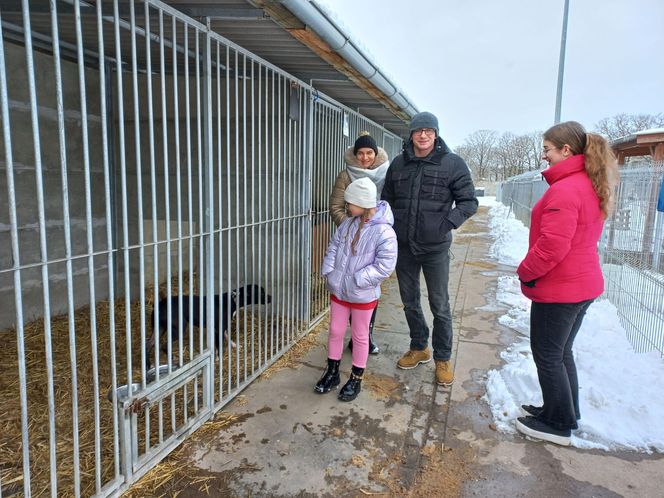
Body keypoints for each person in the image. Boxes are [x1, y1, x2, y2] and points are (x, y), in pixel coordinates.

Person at [515, 121, 619, 446]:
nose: (544, 156)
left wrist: (525, 270)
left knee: (547, 353)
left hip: (561, 288)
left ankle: (558, 423)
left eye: (547, 149)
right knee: (561, 353)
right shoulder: (585, 183)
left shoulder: (566, 189)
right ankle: (562, 411)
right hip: (580, 283)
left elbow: (552, 246)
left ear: (566, 150)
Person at [382, 111, 478, 386]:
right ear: (410, 134)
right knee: (410, 300)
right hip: (404, 246)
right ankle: (419, 346)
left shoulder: (452, 164)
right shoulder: (399, 164)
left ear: (436, 134)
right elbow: (386, 201)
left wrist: (445, 224)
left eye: (429, 130)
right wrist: (389, 229)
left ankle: (443, 358)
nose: (423, 135)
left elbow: (468, 202)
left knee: (440, 304)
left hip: (435, 248)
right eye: (418, 130)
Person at [316, 178, 397, 401]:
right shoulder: (348, 224)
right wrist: (330, 272)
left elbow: (384, 266)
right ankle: (332, 373)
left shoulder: (384, 233)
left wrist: (357, 280)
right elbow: (334, 246)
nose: (347, 206)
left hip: (362, 294)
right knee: (335, 331)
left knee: (360, 336)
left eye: (350, 202)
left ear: (363, 202)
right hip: (340, 291)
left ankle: (356, 378)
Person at [330, 131, 391, 355]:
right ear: (355, 155)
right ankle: (350, 335)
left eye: (369, 153)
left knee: (369, 289)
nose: (365, 158)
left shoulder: (387, 173)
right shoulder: (345, 176)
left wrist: (379, 232)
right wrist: (352, 228)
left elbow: (388, 206)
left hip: (375, 241)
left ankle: (364, 336)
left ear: (376, 154)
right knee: (347, 290)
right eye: (360, 153)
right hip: (351, 242)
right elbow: (336, 206)